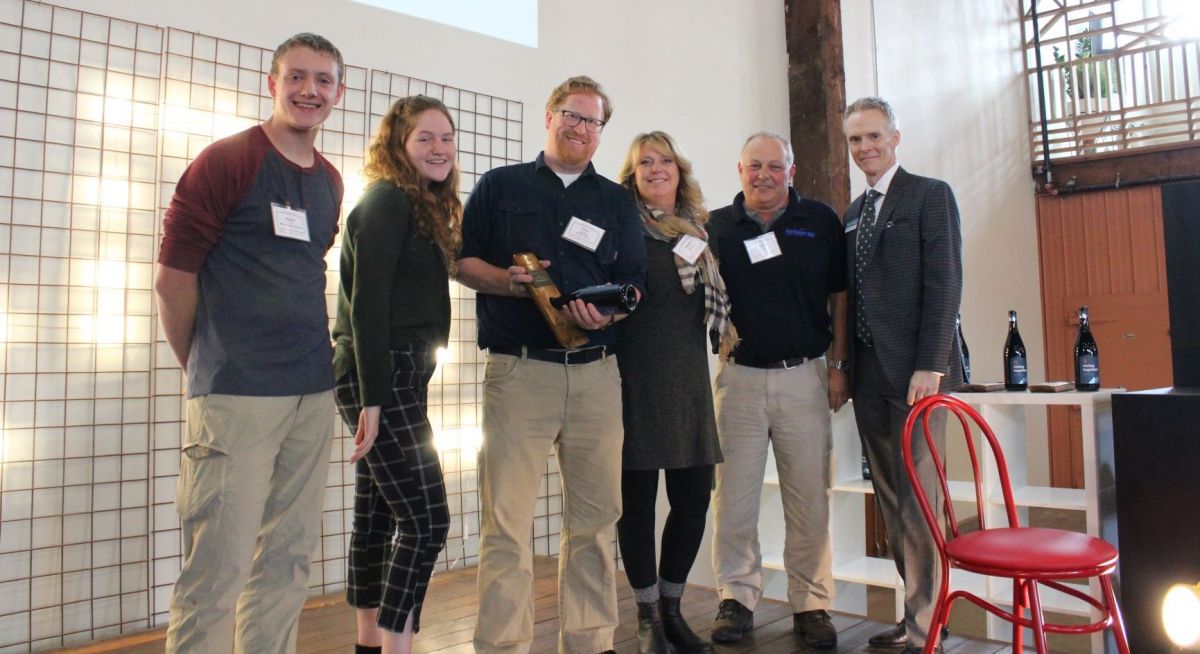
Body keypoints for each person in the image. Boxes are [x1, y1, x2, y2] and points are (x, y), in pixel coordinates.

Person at [154, 33, 345, 653]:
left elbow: (302, 272)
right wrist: (206, 366)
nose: (309, 90)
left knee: (287, 562)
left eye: (322, 80)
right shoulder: (227, 161)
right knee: (217, 571)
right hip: (236, 395)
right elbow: (172, 279)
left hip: (311, 394)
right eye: (296, 77)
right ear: (272, 83)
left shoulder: (331, 182)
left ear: (338, 93)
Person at [456, 76, 647, 654]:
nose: (581, 129)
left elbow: (636, 284)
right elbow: (463, 263)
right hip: (519, 374)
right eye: (573, 115)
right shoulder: (499, 186)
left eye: (593, 122)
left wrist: (609, 316)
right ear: (550, 115)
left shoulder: (616, 201)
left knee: (594, 521)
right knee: (507, 524)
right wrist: (508, 284)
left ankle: (590, 642)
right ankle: (502, 645)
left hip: (595, 374)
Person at [707, 132, 847, 649]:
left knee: (809, 497)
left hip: (804, 376)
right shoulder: (717, 225)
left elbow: (840, 295)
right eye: (753, 166)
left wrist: (839, 366)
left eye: (774, 165)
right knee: (733, 500)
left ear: (792, 169)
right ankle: (736, 598)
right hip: (738, 378)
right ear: (739, 170)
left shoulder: (820, 222)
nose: (763, 175)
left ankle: (811, 604)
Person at [331, 95, 461, 654]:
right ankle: (396, 647)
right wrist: (374, 400)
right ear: (398, 146)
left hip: (394, 376)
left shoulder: (417, 204)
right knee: (427, 520)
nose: (438, 149)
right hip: (380, 376)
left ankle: (370, 644)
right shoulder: (387, 201)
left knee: (379, 514)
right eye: (424, 138)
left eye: (446, 138)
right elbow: (367, 307)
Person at [842, 97, 963, 654]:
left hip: (917, 375)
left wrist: (930, 364)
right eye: (855, 140)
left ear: (895, 137)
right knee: (891, 503)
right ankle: (913, 614)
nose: (865, 147)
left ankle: (927, 628)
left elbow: (944, 283)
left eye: (873, 136)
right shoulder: (852, 212)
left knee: (921, 503)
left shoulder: (929, 194)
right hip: (869, 378)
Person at [613, 131, 731, 654]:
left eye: (664, 161)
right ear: (632, 174)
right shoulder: (620, 230)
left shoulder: (699, 234)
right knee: (634, 506)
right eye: (645, 163)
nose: (656, 169)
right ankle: (646, 620)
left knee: (692, 501)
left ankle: (672, 608)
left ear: (679, 171)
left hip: (688, 385)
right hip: (631, 382)